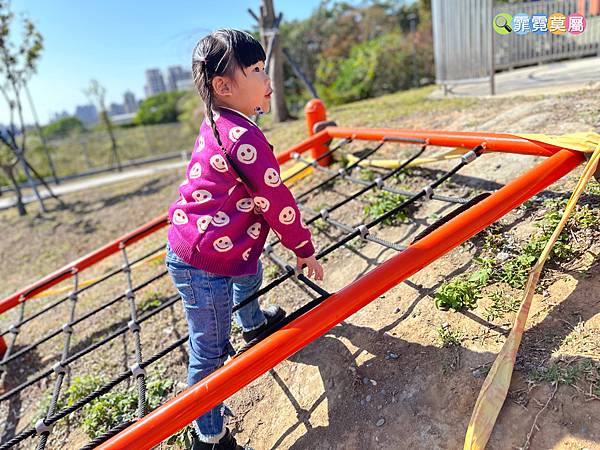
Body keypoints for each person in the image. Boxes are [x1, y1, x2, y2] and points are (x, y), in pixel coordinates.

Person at [164, 29, 324, 450]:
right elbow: (277, 200)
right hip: (203, 263)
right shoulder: (244, 136)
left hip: (225, 242)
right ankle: (210, 437)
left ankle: (251, 321)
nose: (267, 76)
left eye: (263, 66)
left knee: (250, 270)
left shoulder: (221, 120)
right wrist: (302, 247)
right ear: (224, 87)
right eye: (255, 69)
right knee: (210, 351)